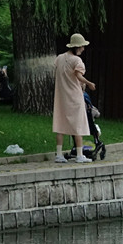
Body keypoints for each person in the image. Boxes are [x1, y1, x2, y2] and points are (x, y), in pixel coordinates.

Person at [52, 33, 96, 163]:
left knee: (60, 124)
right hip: (74, 95)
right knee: (78, 125)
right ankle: (79, 154)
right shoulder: (77, 61)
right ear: (77, 47)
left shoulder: (59, 58)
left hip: (61, 96)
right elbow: (78, 76)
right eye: (82, 46)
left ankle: (59, 154)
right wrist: (88, 83)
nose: (83, 49)